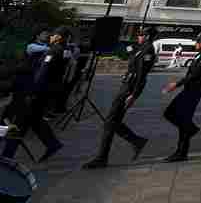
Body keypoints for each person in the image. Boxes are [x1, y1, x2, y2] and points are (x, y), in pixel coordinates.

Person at [83, 27, 157, 169]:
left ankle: (102, 157)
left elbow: (141, 75)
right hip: (126, 85)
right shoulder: (141, 48)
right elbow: (128, 55)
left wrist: (134, 95)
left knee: (110, 121)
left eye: (141, 35)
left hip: (129, 89)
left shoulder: (148, 50)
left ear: (147, 36)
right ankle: (136, 141)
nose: (138, 37)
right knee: (112, 121)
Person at [2, 28, 70, 162]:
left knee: (21, 120)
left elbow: (42, 73)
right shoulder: (64, 51)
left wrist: (32, 91)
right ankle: (52, 144)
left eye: (52, 35)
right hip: (48, 92)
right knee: (34, 119)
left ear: (58, 37)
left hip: (39, 91)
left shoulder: (53, 51)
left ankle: (7, 155)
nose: (50, 37)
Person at [161, 32, 201, 162]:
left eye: (198, 41)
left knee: (179, 117)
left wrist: (176, 84)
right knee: (174, 115)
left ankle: (182, 150)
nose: (195, 44)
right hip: (189, 89)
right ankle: (189, 131)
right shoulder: (200, 54)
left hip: (194, 91)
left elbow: (195, 74)